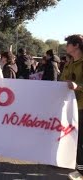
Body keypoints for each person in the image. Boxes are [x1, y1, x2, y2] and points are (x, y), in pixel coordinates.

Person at [60, 35, 83, 180]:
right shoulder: (69, 63)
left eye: (68, 44)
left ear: (76, 46)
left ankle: (80, 172)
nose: (66, 47)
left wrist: (78, 86)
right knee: (75, 138)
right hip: (70, 106)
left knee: (80, 140)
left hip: (81, 107)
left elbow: (76, 85)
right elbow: (63, 82)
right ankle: (79, 168)